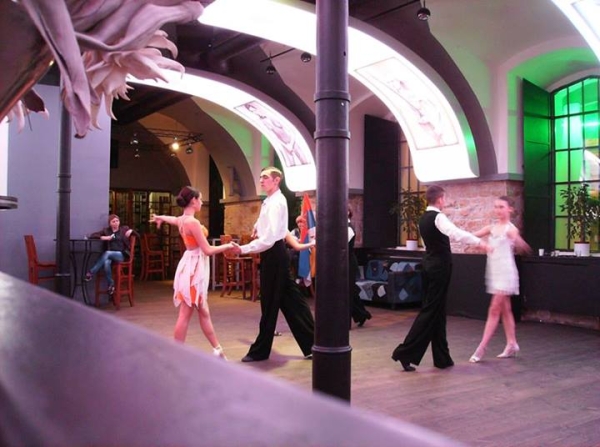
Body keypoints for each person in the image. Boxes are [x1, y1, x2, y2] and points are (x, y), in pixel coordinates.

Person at [391, 185, 487, 372]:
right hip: (439, 267)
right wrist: (479, 243)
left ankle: (442, 358)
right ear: (440, 199)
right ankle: (404, 353)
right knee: (431, 310)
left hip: (429, 265)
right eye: (444, 198)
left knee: (437, 310)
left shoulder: (423, 218)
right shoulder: (438, 217)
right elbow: (455, 233)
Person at [232, 166, 315, 362]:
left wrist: (243, 249)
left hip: (274, 254)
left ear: (276, 180)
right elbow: (270, 225)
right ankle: (314, 344)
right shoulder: (270, 201)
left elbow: (269, 239)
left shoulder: (276, 202)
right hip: (275, 255)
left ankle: (260, 351)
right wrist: (257, 226)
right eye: (261, 177)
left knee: (270, 303)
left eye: (265, 177)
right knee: (292, 302)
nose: (261, 180)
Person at [150, 186, 237, 360]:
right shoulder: (192, 222)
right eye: (200, 199)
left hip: (192, 265)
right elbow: (207, 250)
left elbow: (173, 219)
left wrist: (160, 217)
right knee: (186, 313)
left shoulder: (183, 220)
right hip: (194, 268)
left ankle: (218, 350)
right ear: (193, 201)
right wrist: (228, 246)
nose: (202, 202)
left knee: (203, 311)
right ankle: (178, 354)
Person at [469, 196, 532, 363]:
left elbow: (521, 244)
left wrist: (519, 242)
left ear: (510, 209)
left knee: (494, 309)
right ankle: (512, 343)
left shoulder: (511, 229)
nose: (498, 210)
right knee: (506, 310)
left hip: (506, 274)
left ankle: (482, 347)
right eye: (496, 207)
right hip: (494, 273)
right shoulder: (491, 228)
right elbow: (470, 236)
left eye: (501, 207)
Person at [85, 214, 135, 296]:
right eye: (113, 221)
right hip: (110, 256)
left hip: (121, 255)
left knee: (107, 253)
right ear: (110, 223)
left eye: (117, 221)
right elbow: (93, 235)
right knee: (106, 262)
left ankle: (91, 272)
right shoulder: (106, 231)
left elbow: (138, 235)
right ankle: (111, 284)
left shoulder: (123, 229)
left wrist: (132, 231)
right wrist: (104, 237)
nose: (116, 223)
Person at [348, 208, 372, 327]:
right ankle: (362, 314)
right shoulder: (341, 227)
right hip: (343, 262)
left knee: (348, 292)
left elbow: (341, 246)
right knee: (350, 292)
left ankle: (347, 322)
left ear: (348, 213)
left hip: (348, 262)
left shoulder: (348, 229)